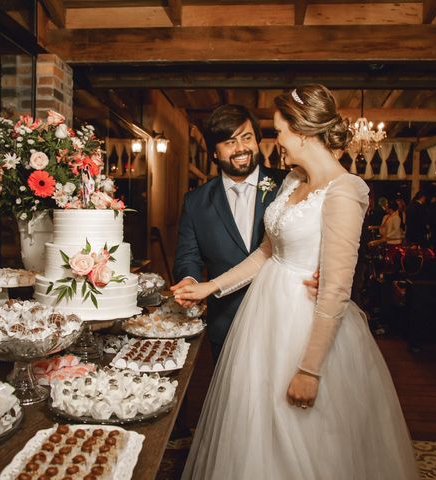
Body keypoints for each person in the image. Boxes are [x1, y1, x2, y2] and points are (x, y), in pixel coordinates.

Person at [175, 85, 418, 480]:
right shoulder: (291, 180)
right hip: (263, 319)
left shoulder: (345, 191)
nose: (276, 140)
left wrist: (309, 371)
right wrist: (208, 287)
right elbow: (267, 252)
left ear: (303, 132)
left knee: (311, 440)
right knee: (256, 425)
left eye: (280, 131)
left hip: (305, 325)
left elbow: (337, 287)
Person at [170, 104, 310, 361]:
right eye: (229, 142)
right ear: (214, 151)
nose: (241, 148)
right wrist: (190, 282)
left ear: (257, 140)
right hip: (226, 319)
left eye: (246, 138)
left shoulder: (290, 184)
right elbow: (188, 256)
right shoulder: (195, 201)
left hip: (287, 316)